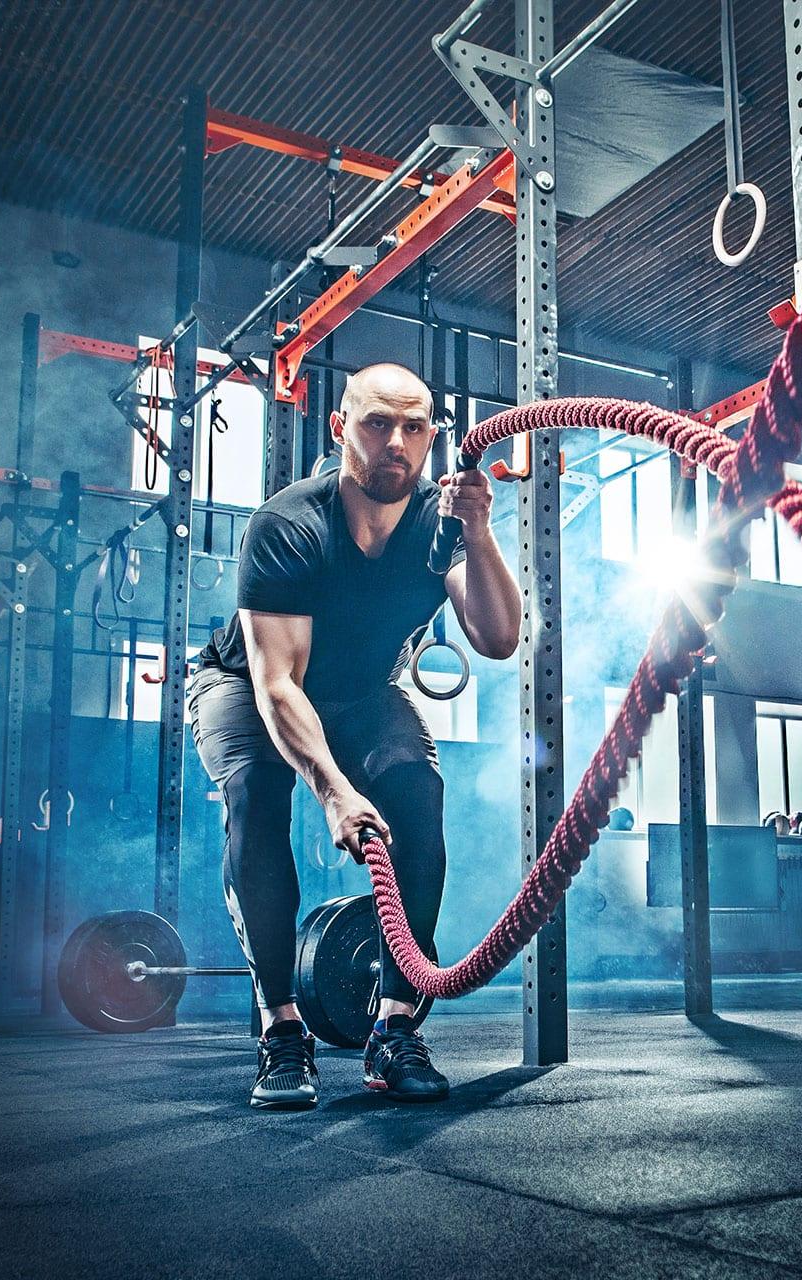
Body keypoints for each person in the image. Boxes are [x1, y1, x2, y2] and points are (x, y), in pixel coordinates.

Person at [188, 363, 522, 1110]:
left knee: (416, 793)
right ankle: (282, 1032)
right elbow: (279, 684)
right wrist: (335, 791)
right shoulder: (289, 525)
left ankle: (395, 1031)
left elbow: (499, 637)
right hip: (248, 686)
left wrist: (481, 530)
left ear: (432, 438)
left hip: (363, 693)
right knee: (257, 791)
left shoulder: (443, 524)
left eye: (412, 427)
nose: (394, 442)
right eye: (377, 423)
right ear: (341, 429)